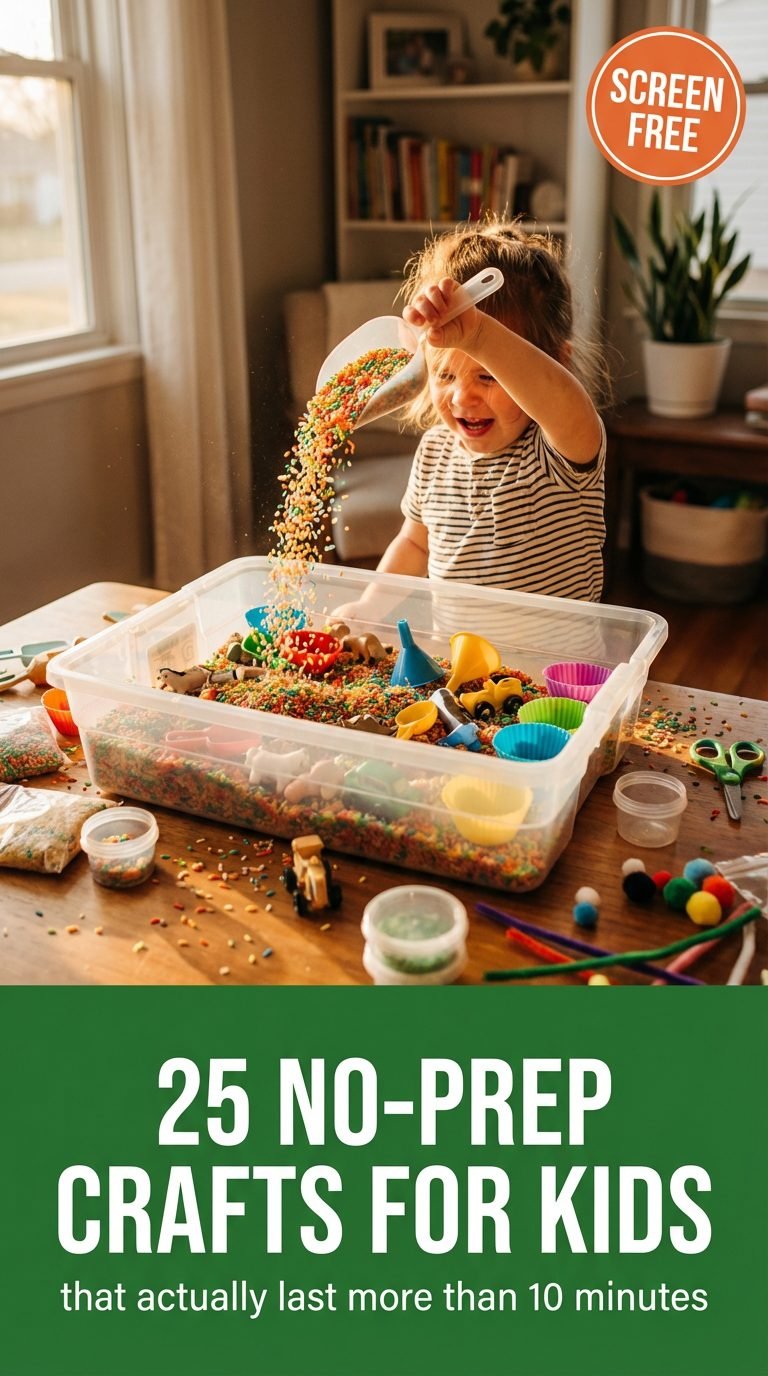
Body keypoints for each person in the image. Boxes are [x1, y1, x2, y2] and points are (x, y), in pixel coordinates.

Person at [334, 219, 609, 624]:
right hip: (462, 671)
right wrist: (368, 605)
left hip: (556, 677)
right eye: (445, 375)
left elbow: (564, 402)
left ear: (557, 362)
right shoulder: (435, 450)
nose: (463, 398)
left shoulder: (558, 449)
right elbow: (416, 542)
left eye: (488, 375)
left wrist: (480, 336)